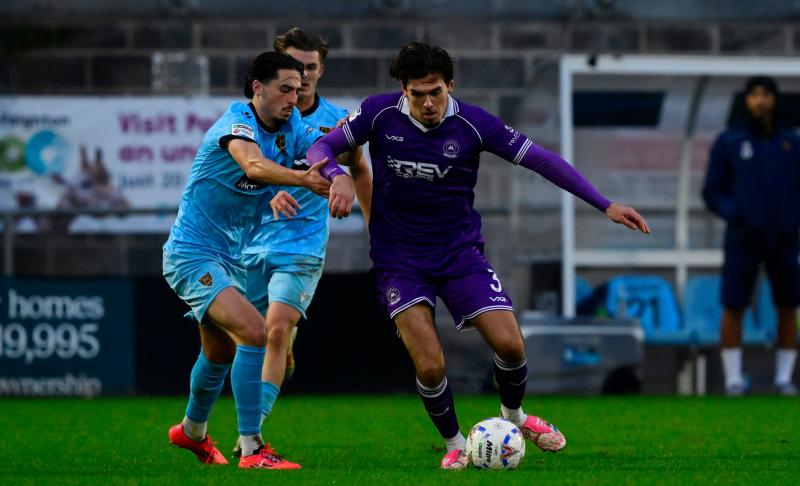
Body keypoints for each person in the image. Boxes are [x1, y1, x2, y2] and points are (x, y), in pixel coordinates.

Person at [307, 42, 650, 469]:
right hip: (399, 260)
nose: (428, 103)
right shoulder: (378, 113)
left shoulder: (474, 123)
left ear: (450, 85)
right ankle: (455, 444)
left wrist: (605, 204)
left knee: (510, 345)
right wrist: (337, 175)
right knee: (430, 366)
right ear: (403, 89)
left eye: (436, 92)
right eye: (418, 94)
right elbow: (319, 150)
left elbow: (541, 160)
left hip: (459, 254)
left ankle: (514, 416)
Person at [163, 51, 353, 469]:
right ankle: (252, 448)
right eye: (284, 88)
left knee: (217, 353)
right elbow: (253, 164)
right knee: (255, 331)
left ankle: (192, 433)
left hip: (229, 257)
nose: (293, 97)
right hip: (192, 253)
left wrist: (339, 177)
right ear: (257, 89)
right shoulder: (236, 123)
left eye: (298, 89)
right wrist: (302, 179)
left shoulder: (292, 127)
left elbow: (320, 150)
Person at [232, 28, 372, 458]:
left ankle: (248, 438)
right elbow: (245, 168)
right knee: (246, 340)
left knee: (274, 330)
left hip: (302, 246)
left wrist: (376, 225)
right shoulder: (252, 118)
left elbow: (360, 169)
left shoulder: (338, 121)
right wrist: (269, 186)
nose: (304, 75)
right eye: (296, 67)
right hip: (252, 243)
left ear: (321, 70)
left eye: (311, 67)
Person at [702, 76, 799, 396]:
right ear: (746, 100)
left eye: (766, 95)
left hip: (784, 237)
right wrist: (737, 214)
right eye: (754, 95)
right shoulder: (729, 141)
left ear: (774, 99)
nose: (760, 101)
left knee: (789, 304)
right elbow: (712, 191)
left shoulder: (792, 142)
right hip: (743, 237)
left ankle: (784, 378)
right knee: (734, 304)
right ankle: (732, 379)